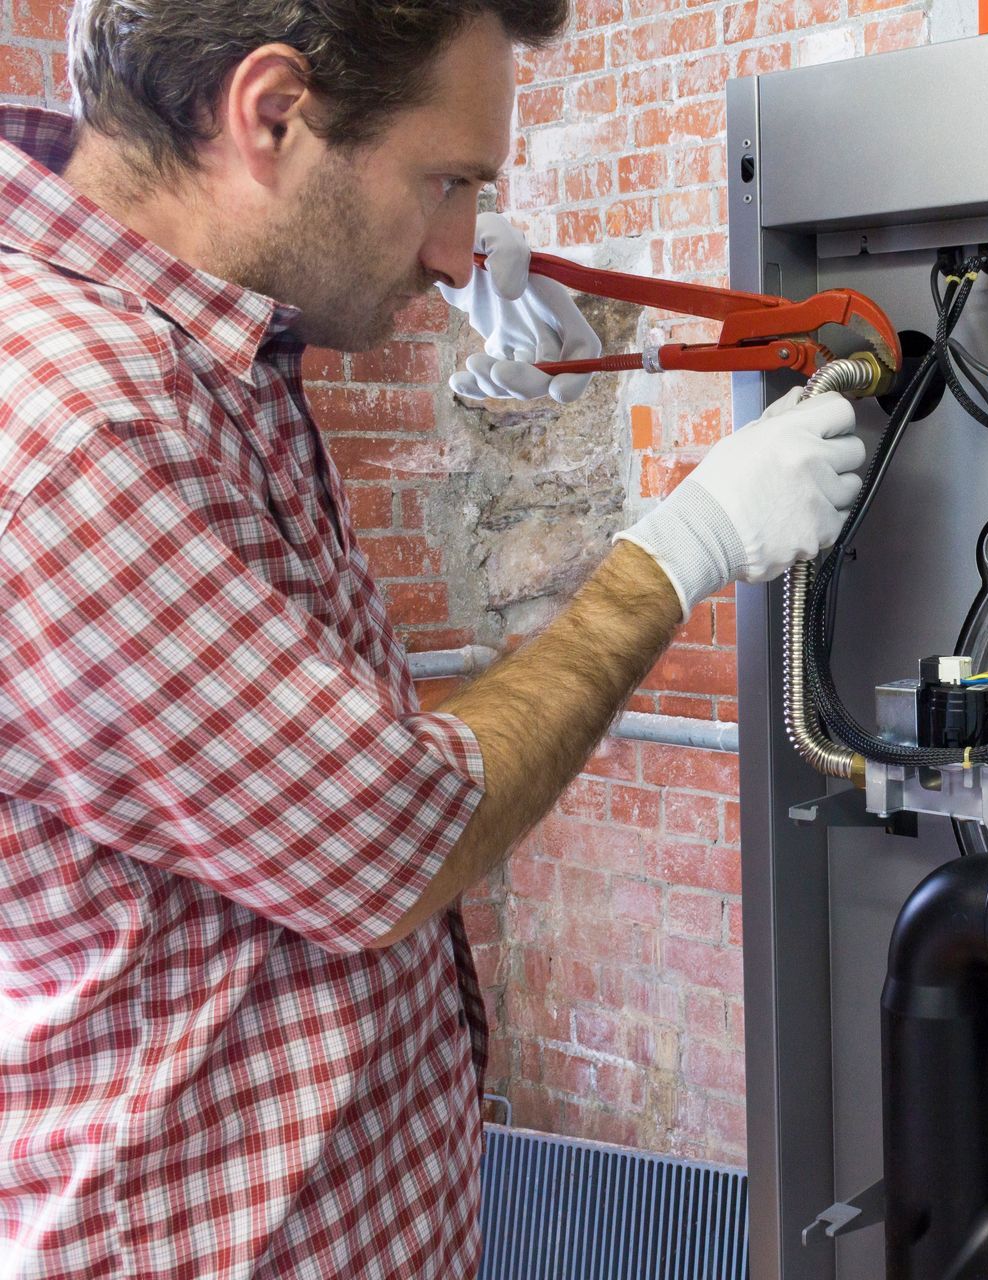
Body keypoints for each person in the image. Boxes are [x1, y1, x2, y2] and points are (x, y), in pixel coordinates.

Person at [0, 1, 863, 1275]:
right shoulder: (84, 433)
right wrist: (683, 549)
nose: (463, 252)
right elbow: (395, 836)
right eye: (449, 181)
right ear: (273, 114)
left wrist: (468, 306)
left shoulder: (198, 350)